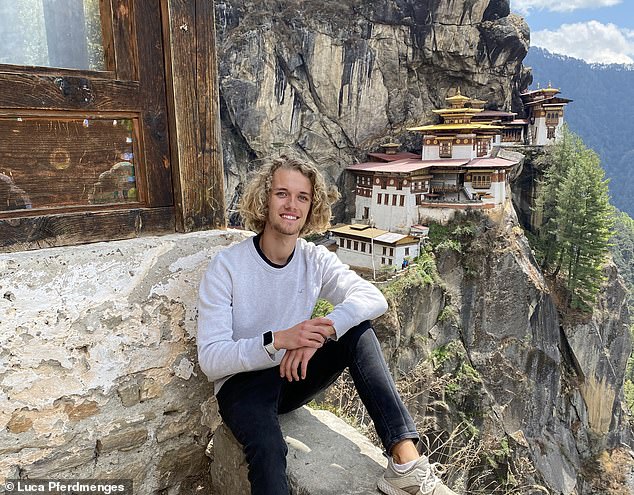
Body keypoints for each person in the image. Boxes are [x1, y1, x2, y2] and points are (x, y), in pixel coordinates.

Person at [197, 156, 457, 495]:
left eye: (302, 197)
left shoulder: (313, 257)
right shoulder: (227, 267)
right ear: (264, 199)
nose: (292, 205)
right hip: (241, 386)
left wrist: (321, 332)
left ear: (311, 205)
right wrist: (279, 339)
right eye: (281, 194)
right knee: (269, 450)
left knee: (357, 330)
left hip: (291, 374)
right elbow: (211, 360)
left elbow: (373, 297)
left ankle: (405, 463)